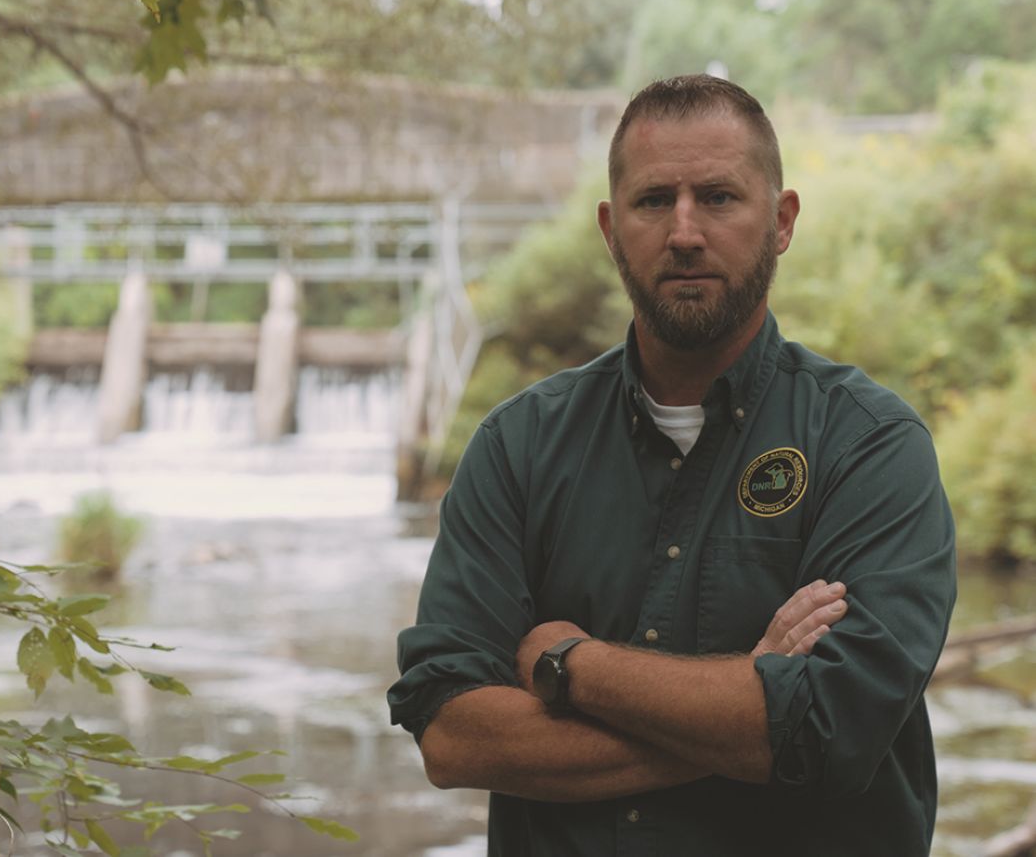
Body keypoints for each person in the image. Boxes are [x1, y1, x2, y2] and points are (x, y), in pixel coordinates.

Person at [388, 74, 956, 857]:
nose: (684, 230)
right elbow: (452, 737)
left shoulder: (869, 446)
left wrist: (567, 663)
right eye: (654, 201)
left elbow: (832, 730)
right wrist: (749, 715)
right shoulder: (519, 446)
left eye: (719, 197)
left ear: (782, 221)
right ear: (610, 228)